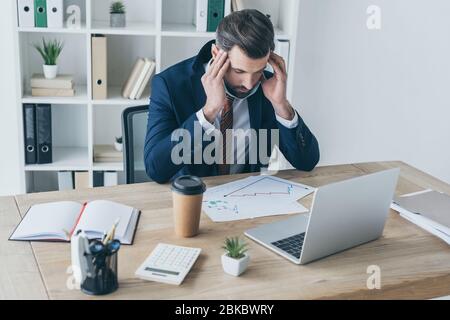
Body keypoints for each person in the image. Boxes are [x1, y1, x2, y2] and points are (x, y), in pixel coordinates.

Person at [144, 9, 319, 184]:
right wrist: (209, 112)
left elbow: (307, 162)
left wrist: (281, 106)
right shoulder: (169, 85)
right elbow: (156, 170)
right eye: (239, 71)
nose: (250, 84)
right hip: (191, 199)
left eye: (258, 71)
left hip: (246, 197)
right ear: (216, 54)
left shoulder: (267, 87)